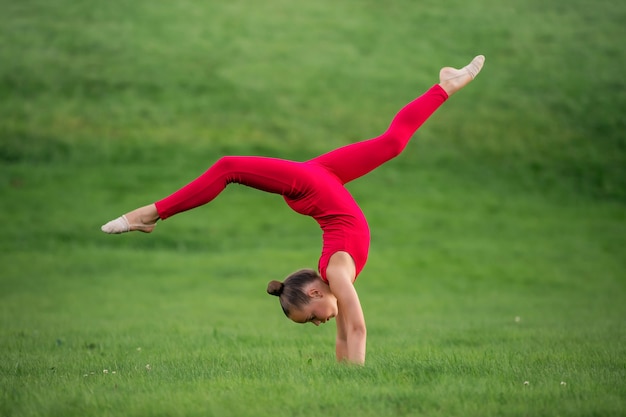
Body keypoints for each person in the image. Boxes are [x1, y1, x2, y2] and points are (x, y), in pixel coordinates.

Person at [101, 55, 485, 365]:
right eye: (313, 323)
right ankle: (446, 85)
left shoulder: (336, 273)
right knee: (392, 145)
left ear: (316, 292)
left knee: (229, 167)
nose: (320, 323)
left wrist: (357, 372)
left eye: (313, 317)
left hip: (313, 184)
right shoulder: (337, 281)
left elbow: (358, 332)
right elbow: (344, 334)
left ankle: (149, 215)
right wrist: (349, 382)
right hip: (323, 183)